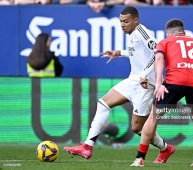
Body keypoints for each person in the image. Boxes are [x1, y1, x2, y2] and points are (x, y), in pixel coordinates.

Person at [64, 6, 175, 164]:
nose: (122, 24)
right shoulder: (132, 35)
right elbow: (137, 52)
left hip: (145, 85)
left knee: (137, 128)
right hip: (133, 80)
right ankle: (87, 146)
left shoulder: (141, 31)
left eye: (126, 21)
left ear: (135, 20)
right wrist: (119, 52)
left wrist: (144, 74)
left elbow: (158, 53)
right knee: (103, 103)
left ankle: (165, 148)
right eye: (121, 21)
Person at [130, 18, 193, 167]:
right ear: (184, 32)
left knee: (154, 117)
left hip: (175, 80)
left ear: (169, 33)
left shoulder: (165, 42)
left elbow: (159, 58)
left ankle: (140, 158)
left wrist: (158, 83)